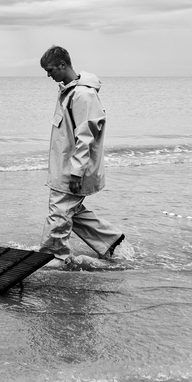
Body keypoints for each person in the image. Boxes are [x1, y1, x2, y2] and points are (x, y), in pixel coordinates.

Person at [38, 46, 124, 268]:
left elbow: (86, 137)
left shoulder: (83, 95)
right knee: (71, 210)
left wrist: (77, 171)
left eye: (50, 70)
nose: (48, 75)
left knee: (60, 211)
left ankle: (55, 256)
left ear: (63, 65)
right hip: (64, 165)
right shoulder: (69, 91)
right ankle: (108, 240)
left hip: (72, 168)